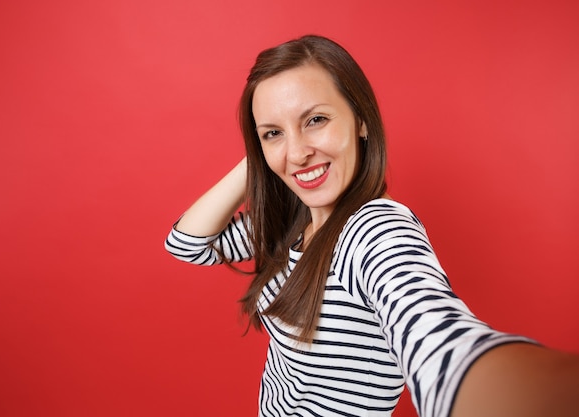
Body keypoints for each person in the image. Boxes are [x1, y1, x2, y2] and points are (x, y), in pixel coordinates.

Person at [165, 35, 578, 417]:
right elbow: (186, 243)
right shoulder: (292, 220)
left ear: (361, 121)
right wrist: (264, 155)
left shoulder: (374, 229)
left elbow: (441, 344)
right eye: (273, 132)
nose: (298, 153)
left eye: (315, 120)